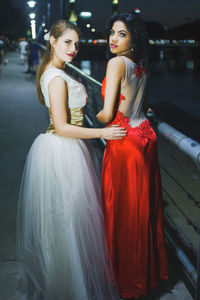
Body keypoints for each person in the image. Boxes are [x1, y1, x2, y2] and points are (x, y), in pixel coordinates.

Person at [16, 20, 126, 300]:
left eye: (77, 44)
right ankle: (71, 289)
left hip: (68, 150)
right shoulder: (55, 78)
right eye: (67, 42)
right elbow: (63, 126)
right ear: (52, 41)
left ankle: (72, 285)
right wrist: (103, 132)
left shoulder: (58, 71)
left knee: (70, 222)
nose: (74, 49)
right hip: (62, 150)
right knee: (68, 222)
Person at [97, 12, 168, 299]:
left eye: (121, 33)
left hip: (124, 142)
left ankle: (126, 278)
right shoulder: (141, 66)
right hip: (145, 138)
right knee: (142, 211)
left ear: (133, 38)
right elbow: (142, 105)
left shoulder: (116, 64)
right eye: (112, 32)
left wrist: (81, 107)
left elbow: (106, 115)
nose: (113, 39)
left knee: (124, 212)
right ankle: (143, 275)